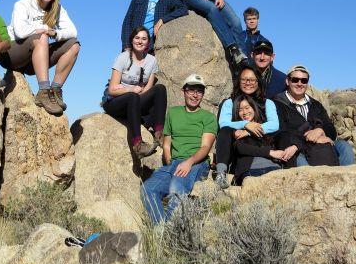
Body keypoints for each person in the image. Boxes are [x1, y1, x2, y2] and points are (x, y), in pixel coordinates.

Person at [0, 0, 80, 115]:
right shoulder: (22, 4)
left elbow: (73, 31)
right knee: (41, 36)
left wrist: (56, 33)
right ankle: (43, 90)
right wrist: (45, 29)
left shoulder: (57, 9)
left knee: (74, 45)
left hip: (34, 60)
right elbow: (20, 32)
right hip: (12, 54)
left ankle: (54, 90)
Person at [141, 74, 217, 225]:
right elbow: (167, 143)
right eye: (191, 90)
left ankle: (170, 232)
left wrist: (189, 162)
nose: (195, 95)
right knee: (148, 189)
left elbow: (206, 147)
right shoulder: (173, 113)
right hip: (174, 163)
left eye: (199, 91)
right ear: (184, 91)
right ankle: (161, 230)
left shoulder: (208, 117)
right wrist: (169, 162)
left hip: (197, 162)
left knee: (176, 187)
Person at [103, 27, 167, 158]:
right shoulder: (123, 58)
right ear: (132, 40)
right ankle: (138, 144)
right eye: (137, 38)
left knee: (160, 88)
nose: (140, 41)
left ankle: (159, 133)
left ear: (148, 43)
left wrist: (138, 93)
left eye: (144, 39)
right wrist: (130, 89)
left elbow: (148, 88)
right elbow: (111, 90)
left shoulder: (151, 61)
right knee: (132, 96)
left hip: (135, 100)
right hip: (116, 101)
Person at [273, 65, 355, 167]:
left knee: (344, 146)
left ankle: (349, 178)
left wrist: (320, 130)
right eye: (295, 80)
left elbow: (331, 129)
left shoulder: (315, 105)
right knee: (300, 163)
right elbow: (281, 133)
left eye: (304, 81)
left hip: (320, 147)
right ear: (287, 81)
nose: (299, 84)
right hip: (295, 147)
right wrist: (310, 137)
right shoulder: (277, 103)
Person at [214, 64, 281, 188]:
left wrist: (248, 131)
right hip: (237, 146)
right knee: (225, 131)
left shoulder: (267, 103)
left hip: (260, 143)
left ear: (258, 81)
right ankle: (221, 172)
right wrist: (246, 124)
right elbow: (223, 123)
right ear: (238, 81)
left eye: (252, 79)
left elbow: (274, 124)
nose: (248, 83)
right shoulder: (229, 102)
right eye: (244, 79)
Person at [223, 95, 290, 185]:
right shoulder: (237, 130)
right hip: (251, 171)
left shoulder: (267, 128)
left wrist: (293, 147)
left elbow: (284, 137)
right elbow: (241, 148)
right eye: (240, 110)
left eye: (247, 107)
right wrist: (270, 152)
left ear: (254, 108)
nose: (245, 112)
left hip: (274, 168)